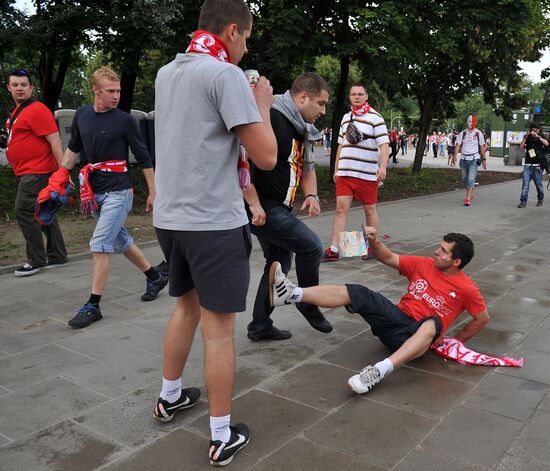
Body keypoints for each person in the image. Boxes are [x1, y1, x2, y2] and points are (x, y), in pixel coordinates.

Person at [152, 0, 277, 466]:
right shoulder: (224, 76)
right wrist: (261, 103)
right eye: (245, 37)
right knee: (219, 331)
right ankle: (222, 435)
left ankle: (169, 397)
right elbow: (265, 156)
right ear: (231, 31)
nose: (245, 46)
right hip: (213, 222)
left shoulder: (168, 72)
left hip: (171, 218)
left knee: (185, 307)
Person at [271, 229, 489, 394]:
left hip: (418, 338)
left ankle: (378, 372)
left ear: (456, 261)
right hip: (396, 322)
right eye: (439, 246)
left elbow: (482, 318)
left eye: (443, 251)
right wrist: (374, 242)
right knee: (358, 291)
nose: (436, 251)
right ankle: (292, 294)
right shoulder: (424, 264)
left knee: (432, 323)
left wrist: (455, 341)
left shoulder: (466, 288)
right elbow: (387, 257)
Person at [54, 66, 167, 328]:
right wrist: (60, 175)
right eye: (110, 91)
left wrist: (153, 191)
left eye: (118, 91)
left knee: (99, 243)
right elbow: (73, 149)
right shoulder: (82, 115)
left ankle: (93, 305)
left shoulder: (125, 120)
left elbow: (144, 157)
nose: (116, 96)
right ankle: (155, 277)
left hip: (119, 191)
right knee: (120, 239)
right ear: (95, 90)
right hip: (95, 193)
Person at [244, 72, 332, 342]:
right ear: (303, 96)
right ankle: (307, 301)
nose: (323, 110)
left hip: (279, 206)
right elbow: (242, 162)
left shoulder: (300, 126)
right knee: (311, 247)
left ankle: (260, 325)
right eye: (321, 103)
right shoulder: (273, 117)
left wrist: (313, 195)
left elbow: (307, 167)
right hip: (263, 206)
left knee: (279, 263)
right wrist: (254, 203)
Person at [4, 68, 68, 276]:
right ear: (9, 88)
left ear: (31, 87)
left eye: (24, 85)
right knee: (43, 211)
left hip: (37, 171)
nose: (19, 88)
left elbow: (55, 140)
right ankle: (57, 256)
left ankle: (36, 260)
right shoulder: (18, 111)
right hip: (27, 171)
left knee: (24, 211)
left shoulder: (37, 109)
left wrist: (62, 171)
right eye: (15, 85)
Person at [322, 83, 389, 262]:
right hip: (345, 173)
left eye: (360, 94)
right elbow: (340, 145)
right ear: (350, 97)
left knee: (369, 209)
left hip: (366, 174)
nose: (357, 97)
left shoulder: (376, 118)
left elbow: (384, 145)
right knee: (340, 210)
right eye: (353, 94)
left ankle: (372, 246)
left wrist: (382, 167)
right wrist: (336, 170)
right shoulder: (346, 118)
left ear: (366, 96)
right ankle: (335, 248)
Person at [452, 115, 486, 206]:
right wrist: (454, 156)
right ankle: (470, 194)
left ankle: (468, 198)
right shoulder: (462, 133)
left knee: (471, 179)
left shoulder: (478, 133)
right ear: (467, 122)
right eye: (470, 121)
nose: (472, 123)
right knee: (465, 180)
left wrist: (484, 159)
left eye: (474, 121)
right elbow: (458, 145)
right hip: (463, 159)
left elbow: (482, 147)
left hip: (474, 160)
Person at [517, 122, 548, 208]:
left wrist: (538, 137)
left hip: (537, 165)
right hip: (528, 164)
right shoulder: (528, 136)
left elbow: (547, 143)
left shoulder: (541, 136)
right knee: (525, 184)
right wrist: (526, 136)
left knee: (538, 184)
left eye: (537, 130)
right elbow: (521, 146)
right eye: (534, 130)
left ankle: (540, 199)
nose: (535, 131)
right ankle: (523, 201)